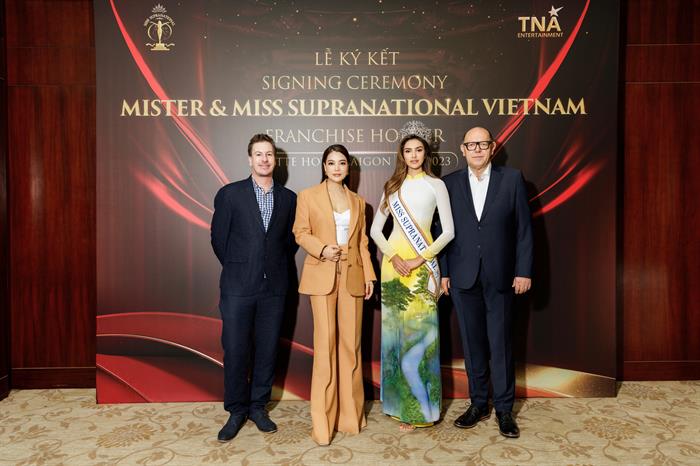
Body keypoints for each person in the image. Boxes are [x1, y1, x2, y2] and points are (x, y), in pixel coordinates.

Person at [440, 126, 533, 438]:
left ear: (492, 147)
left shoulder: (512, 179)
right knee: (472, 344)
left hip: (502, 275)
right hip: (463, 276)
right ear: (463, 150)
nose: (477, 149)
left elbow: (523, 230)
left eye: (482, 144)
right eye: (471, 145)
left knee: (501, 343)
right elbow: (442, 231)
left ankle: (504, 410)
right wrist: (444, 272)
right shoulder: (449, 183)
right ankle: (478, 403)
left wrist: (523, 271)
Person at [210, 133, 297, 442]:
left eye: (269, 154)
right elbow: (219, 239)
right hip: (237, 287)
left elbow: (288, 243)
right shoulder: (230, 194)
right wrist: (242, 266)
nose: (264, 159)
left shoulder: (289, 198)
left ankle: (258, 407)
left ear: (275, 160)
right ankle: (236, 410)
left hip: (274, 289)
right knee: (235, 350)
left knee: (267, 350)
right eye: (258, 154)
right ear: (250, 159)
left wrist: (268, 266)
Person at [370, 134, 454, 430]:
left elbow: (448, 232)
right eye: (408, 150)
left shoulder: (436, 185)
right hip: (393, 268)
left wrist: (421, 258)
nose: (414, 155)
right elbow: (376, 231)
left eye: (419, 150)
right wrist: (393, 256)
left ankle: (421, 411)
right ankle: (397, 406)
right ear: (401, 155)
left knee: (420, 337)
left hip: (421, 268)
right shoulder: (392, 187)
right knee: (394, 335)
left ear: (425, 154)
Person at [293, 144, 376, 446]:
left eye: (342, 163)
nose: (337, 168)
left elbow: (363, 243)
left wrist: (369, 275)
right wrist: (322, 249)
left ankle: (350, 418)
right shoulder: (308, 196)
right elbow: (300, 232)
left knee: (351, 347)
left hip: (352, 276)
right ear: (324, 166)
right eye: (331, 163)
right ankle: (323, 424)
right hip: (322, 274)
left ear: (348, 167)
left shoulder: (359, 202)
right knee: (325, 348)